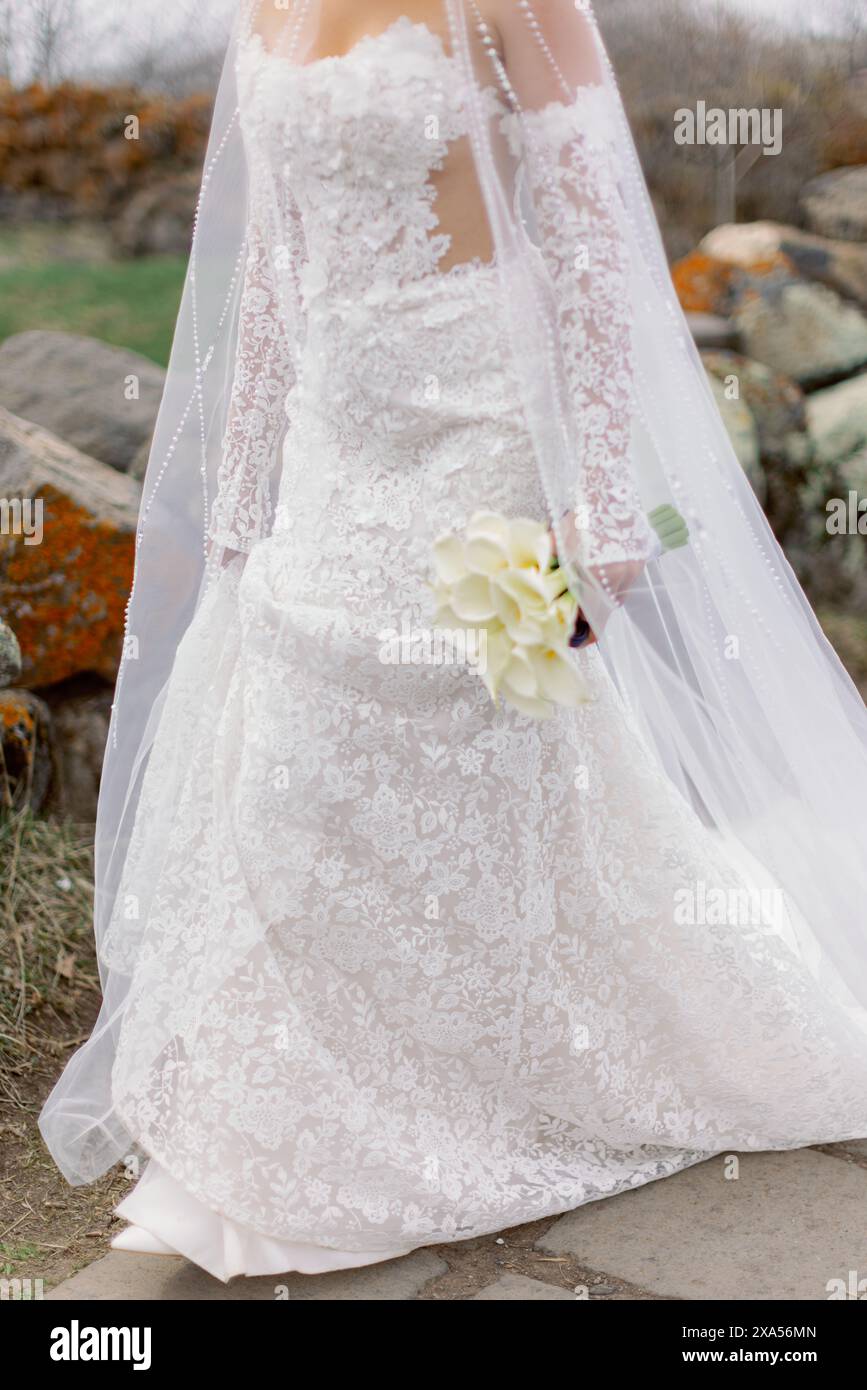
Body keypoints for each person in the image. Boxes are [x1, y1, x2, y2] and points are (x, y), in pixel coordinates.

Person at [39, 0, 867, 1283]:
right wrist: (243, 486)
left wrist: (598, 499)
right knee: (281, 762)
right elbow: (268, 261)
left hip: (476, 428)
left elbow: (590, 227)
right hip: (333, 437)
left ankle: (278, 1175)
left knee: (430, 767)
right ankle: (290, 1111)